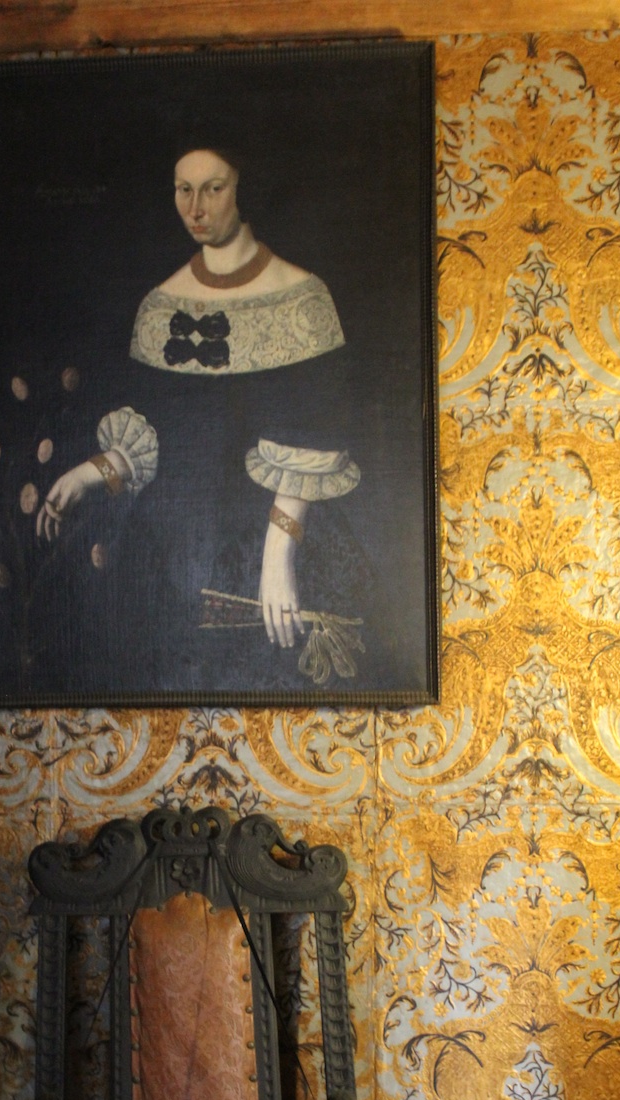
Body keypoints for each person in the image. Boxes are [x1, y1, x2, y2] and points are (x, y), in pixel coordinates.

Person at [34, 146, 369, 694]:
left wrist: (278, 556)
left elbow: (314, 433)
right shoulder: (160, 305)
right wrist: (91, 472)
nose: (196, 207)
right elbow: (160, 433)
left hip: (269, 547)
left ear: (243, 188)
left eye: (213, 188)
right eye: (183, 189)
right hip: (167, 555)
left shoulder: (302, 299)